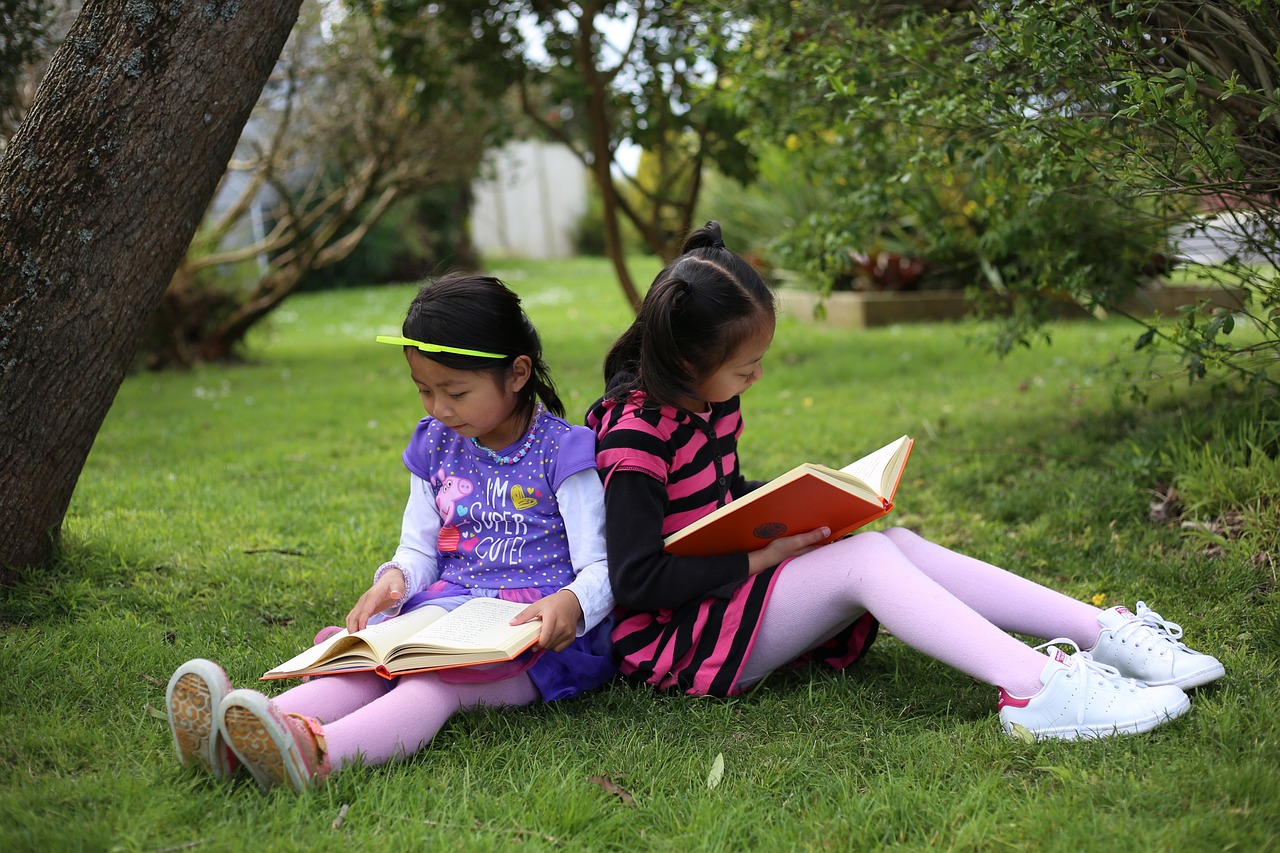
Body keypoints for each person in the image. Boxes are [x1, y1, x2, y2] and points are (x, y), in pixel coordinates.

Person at [584, 221, 1225, 740]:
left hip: (725, 597)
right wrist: (763, 553)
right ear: (689, 359)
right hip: (676, 640)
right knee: (865, 559)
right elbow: (636, 583)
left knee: (900, 543)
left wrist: (788, 511)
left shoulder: (705, 399)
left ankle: (1102, 635)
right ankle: (1036, 688)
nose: (756, 380)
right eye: (747, 368)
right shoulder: (635, 436)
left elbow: (718, 498)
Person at [165, 274, 615, 791]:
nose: (438, 408)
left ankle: (315, 755)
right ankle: (236, 734)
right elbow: (420, 546)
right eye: (424, 390)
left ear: (517, 373)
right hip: (449, 612)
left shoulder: (564, 453)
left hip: (532, 635)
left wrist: (572, 604)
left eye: (456, 392)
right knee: (366, 667)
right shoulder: (436, 444)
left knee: (432, 688)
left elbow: (601, 564)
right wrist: (396, 578)